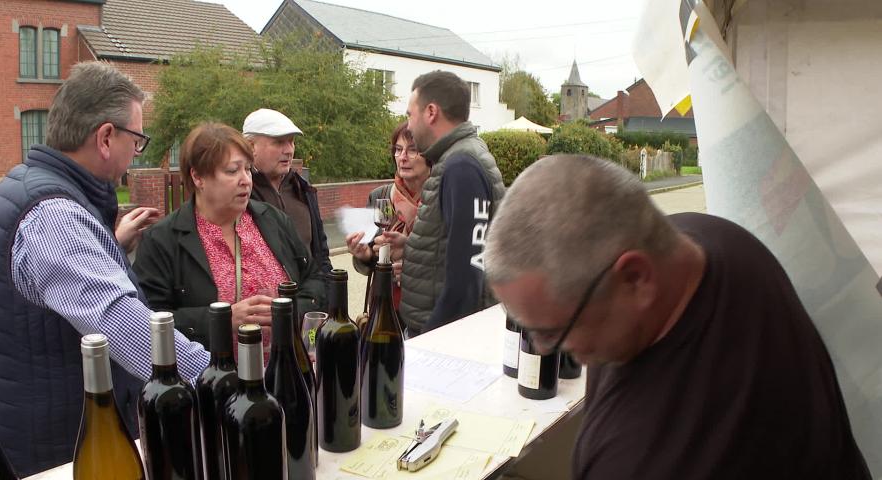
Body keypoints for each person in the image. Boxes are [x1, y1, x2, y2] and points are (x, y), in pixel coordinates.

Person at [484, 155, 871, 479]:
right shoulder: (711, 237)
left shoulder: (642, 459)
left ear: (636, 279)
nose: (541, 347)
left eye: (552, 332)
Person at [0, 62, 211, 477]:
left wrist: (111, 247)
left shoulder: (31, 185)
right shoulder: (53, 216)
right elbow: (120, 324)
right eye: (137, 140)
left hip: (41, 431)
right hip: (60, 454)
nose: (135, 154)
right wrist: (219, 381)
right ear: (106, 137)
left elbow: (53, 280)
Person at [133, 122, 326, 354]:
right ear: (198, 177)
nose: (245, 180)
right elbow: (149, 321)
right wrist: (223, 319)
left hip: (285, 375)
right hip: (214, 381)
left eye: (248, 169)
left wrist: (289, 310)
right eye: (232, 171)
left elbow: (314, 279)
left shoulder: (273, 220)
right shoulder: (162, 240)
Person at [388, 70, 506, 336]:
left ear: (431, 112)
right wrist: (415, 248)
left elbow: (468, 275)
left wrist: (433, 341)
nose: (408, 124)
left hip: (446, 341)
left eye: (410, 114)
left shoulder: (461, 166)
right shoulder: (456, 159)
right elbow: (455, 247)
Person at [242, 108, 331, 307]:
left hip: (310, 312)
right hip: (266, 316)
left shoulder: (303, 190)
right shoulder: (240, 198)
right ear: (250, 146)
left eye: (291, 141)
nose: (289, 150)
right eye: (279, 142)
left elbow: (321, 256)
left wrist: (329, 304)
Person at [346, 121, 432, 311]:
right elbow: (366, 265)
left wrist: (411, 261)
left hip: (425, 307)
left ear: (430, 156)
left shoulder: (439, 199)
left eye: (412, 150)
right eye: (398, 149)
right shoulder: (380, 196)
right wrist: (365, 255)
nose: (402, 157)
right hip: (385, 304)